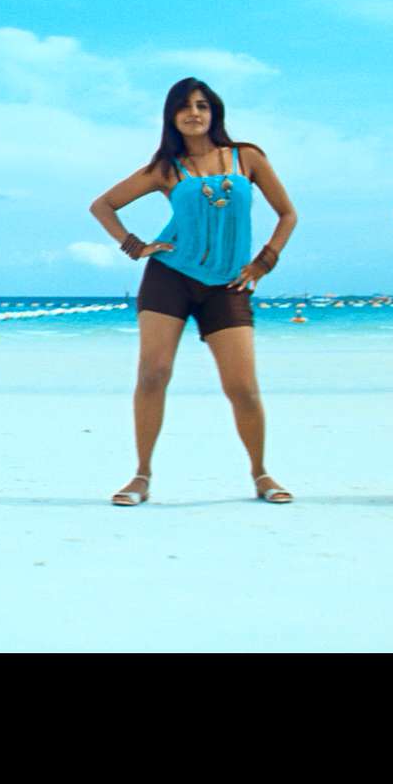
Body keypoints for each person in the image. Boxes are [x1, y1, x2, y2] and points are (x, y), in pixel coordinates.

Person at [87, 77, 297, 506]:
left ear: (214, 111)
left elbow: (288, 214)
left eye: (202, 105)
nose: (194, 113)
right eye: (184, 107)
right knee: (153, 374)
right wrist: (135, 246)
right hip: (169, 277)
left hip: (228, 284)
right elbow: (102, 206)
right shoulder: (166, 168)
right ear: (172, 116)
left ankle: (261, 474)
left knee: (242, 387)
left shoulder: (247, 157)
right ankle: (141, 476)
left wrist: (264, 261)